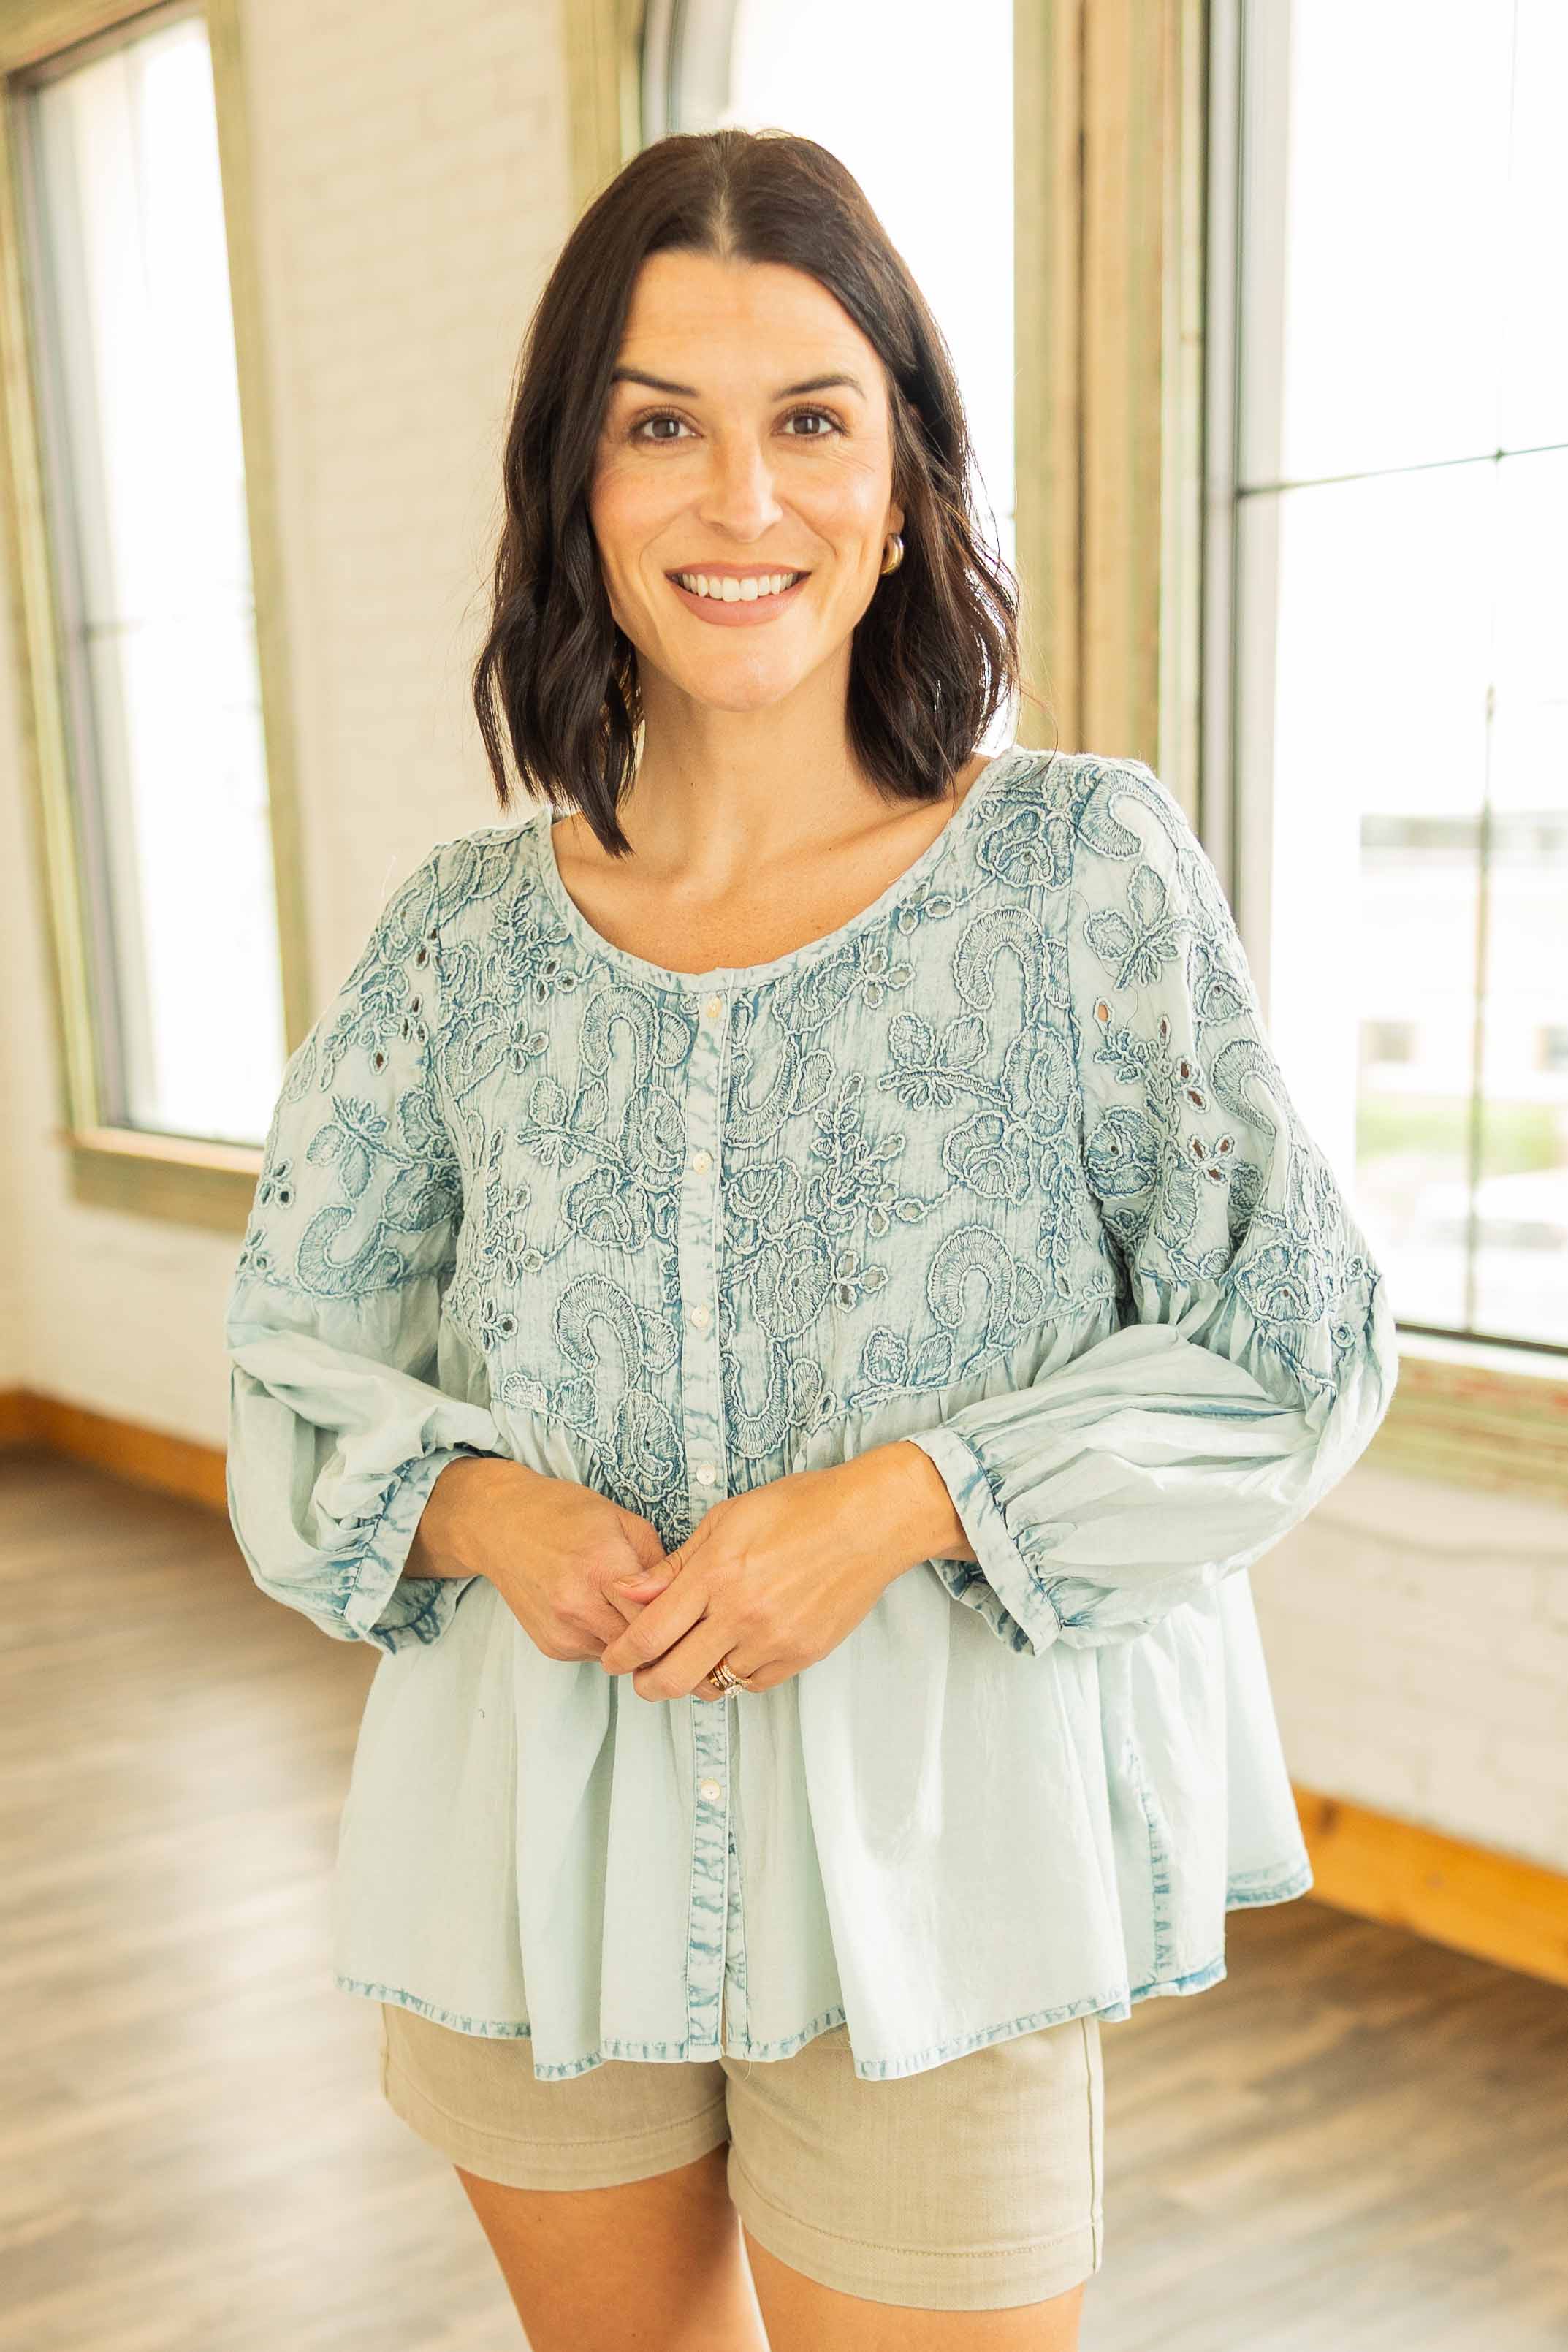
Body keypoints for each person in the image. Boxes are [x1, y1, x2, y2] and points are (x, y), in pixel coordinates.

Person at [223, 126, 1398, 2352]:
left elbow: (1293, 1335)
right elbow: (293, 1344)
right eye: (661, 426)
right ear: (576, 485)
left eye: (811, 423)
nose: (740, 501)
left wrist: (898, 1505)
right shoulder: (458, 944)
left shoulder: (1078, 876)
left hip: (939, 1897)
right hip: (528, 1854)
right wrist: (476, 1506)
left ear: (905, 484)